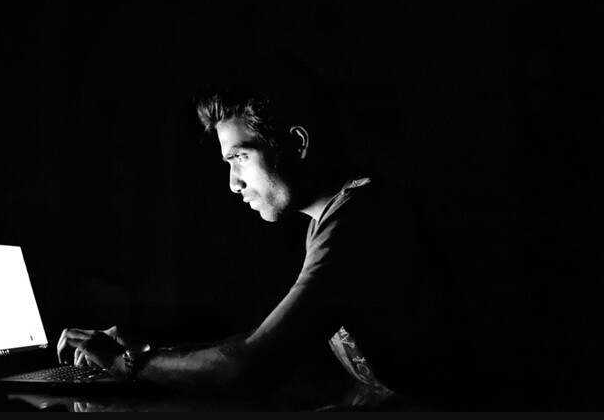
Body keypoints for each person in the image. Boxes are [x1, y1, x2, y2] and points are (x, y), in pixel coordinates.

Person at [57, 52, 480, 411]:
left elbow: (250, 367)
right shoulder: (334, 215)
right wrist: (151, 351)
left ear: (296, 144)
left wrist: (125, 362)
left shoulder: (361, 219)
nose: (233, 184)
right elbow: (270, 342)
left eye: (240, 156)